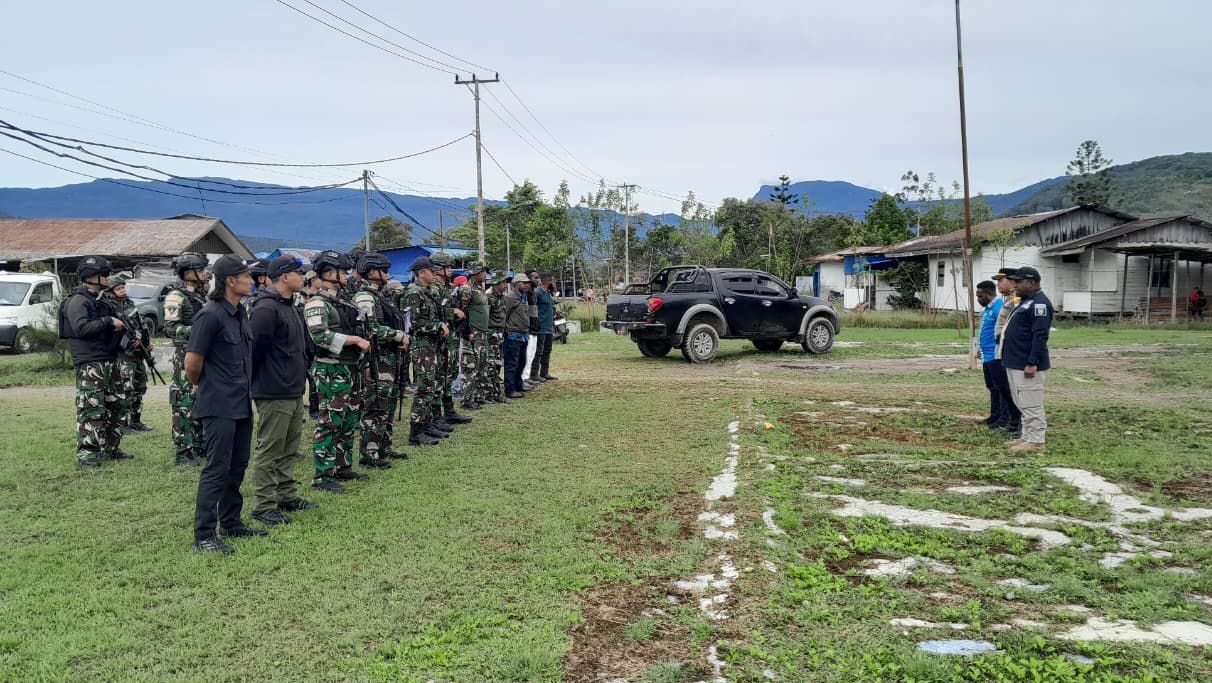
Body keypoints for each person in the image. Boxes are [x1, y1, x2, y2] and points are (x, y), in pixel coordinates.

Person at [184, 255, 265, 553]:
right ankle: (204, 535)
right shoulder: (210, 315)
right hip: (218, 404)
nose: (252, 281)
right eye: (247, 276)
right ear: (231, 280)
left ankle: (231, 522)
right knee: (217, 468)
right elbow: (192, 363)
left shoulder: (240, 312)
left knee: (238, 465)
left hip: (241, 402)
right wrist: (207, 385)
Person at [249, 256, 315, 527]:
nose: (304, 277)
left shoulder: (290, 306)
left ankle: (286, 495)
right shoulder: (266, 308)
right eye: (299, 273)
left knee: (289, 448)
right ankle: (264, 505)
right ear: (285, 276)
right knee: (270, 449)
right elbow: (254, 351)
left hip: (293, 388)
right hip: (273, 390)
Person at [304, 251, 373, 493]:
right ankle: (322, 475)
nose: (346, 276)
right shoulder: (317, 303)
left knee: (348, 419)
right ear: (330, 273)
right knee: (330, 422)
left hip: (349, 367)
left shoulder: (341, 301)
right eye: (342, 272)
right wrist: (353, 340)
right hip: (331, 368)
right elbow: (319, 336)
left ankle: (343, 467)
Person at [61, 256, 128, 467]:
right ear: (92, 277)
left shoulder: (102, 300)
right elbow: (81, 328)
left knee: (116, 404)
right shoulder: (78, 301)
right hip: (90, 362)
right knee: (92, 407)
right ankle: (88, 454)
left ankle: (111, 447)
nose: (108, 278)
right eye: (104, 274)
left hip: (109, 358)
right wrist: (108, 321)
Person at [352, 252, 410, 467]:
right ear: (372, 272)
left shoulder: (379, 295)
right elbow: (371, 329)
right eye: (383, 271)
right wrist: (398, 336)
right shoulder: (364, 297)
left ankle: (384, 447)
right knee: (375, 406)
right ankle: (369, 453)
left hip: (389, 358)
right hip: (377, 359)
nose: (387, 274)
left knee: (387, 405)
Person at [163, 252, 210, 465]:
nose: (204, 273)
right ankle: (183, 450)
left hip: (202, 353)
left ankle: (199, 444)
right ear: (187, 273)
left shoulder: (201, 295)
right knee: (184, 401)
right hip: (185, 354)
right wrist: (200, 331)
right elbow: (171, 329)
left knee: (200, 399)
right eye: (200, 270)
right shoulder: (175, 296)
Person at [1000, 266, 1053, 454]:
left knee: (1031, 402)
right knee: (1021, 401)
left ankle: (1037, 441)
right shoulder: (1026, 302)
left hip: (1026, 363)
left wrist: (1032, 362)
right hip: (1015, 361)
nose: (1014, 285)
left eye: (1018, 282)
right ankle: (1027, 436)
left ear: (1031, 283)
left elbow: (1040, 336)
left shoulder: (1040, 304)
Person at [402, 257, 448, 445]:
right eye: (431, 271)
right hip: (422, 346)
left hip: (431, 345)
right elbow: (413, 324)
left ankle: (427, 424)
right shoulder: (414, 293)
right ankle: (416, 431)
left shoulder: (426, 292)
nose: (434, 274)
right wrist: (438, 326)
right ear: (421, 273)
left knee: (431, 386)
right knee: (424, 387)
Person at [101, 272, 153, 433]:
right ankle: (122, 424)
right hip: (122, 356)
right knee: (125, 389)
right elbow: (109, 331)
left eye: (123, 287)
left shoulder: (130, 304)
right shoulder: (108, 308)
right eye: (118, 288)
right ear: (110, 292)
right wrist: (127, 340)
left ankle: (135, 420)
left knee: (139, 387)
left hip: (137, 353)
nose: (123, 290)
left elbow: (140, 324)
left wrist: (145, 341)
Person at [429, 254, 472, 427]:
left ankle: (448, 410)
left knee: (450, 374)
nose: (450, 270)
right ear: (438, 269)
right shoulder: (434, 288)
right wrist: (452, 312)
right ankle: (436, 414)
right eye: (447, 267)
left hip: (452, 337)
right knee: (440, 376)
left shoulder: (446, 287)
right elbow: (433, 313)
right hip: (440, 339)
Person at [454, 262, 491, 410]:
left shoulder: (480, 289)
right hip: (472, 333)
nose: (485, 275)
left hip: (482, 333)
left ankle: (479, 396)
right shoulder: (466, 289)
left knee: (482, 365)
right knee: (470, 367)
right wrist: (467, 332)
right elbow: (461, 313)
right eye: (482, 272)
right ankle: (467, 399)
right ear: (475, 273)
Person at [991, 267, 1022, 438]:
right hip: (1001, 348)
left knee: (1011, 389)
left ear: (1011, 281)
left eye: (1001, 281)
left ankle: (1017, 422)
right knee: (1004, 387)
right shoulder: (1009, 300)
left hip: (1009, 350)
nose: (998, 284)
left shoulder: (1017, 300)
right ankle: (1013, 421)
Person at [975, 280, 1008, 433]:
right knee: (992, 387)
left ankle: (1003, 418)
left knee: (1000, 388)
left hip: (995, 355)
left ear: (989, 294)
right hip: (986, 355)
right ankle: (994, 416)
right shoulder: (988, 308)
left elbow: (1002, 331)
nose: (978, 299)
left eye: (980, 296)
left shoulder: (999, 307)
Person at [502, 277, 532, 398]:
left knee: (521, 362)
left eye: (527, 283)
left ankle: (518, 385)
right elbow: (505, 314)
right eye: (523, 283)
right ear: (515, 284)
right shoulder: (510, 297)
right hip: (512, 335)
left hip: (523, 334)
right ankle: (510, 389)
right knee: (511, 363)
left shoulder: (524, 297)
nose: (526, 285)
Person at [484, 273, 511, 404]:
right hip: (491, 335)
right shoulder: (489, 297)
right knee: (490, 365)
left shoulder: (502, 297)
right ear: (496, 283)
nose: (506, 285)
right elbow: (485, 317)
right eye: (503, 282)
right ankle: (488, 394)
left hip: (500, 334)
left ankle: (496, 393)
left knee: (497, 364)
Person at [531, 271, 558, 383]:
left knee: (547, 350)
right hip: (541, 327)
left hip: (549, 327)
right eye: (552, 280)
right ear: (547, 280)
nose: (553, 282)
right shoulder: (538, 292)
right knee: (539, 351)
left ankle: (544, 372)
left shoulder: (548, 293)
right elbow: (533, 308)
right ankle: (534, 374)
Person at [521, 269, 541, 387]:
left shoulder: (533, 293)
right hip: (527, 329)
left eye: (538, 277)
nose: (538, 280)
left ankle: (527, 377)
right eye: (535, 278)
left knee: (532, 354)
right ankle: (523, 378)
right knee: (527, 355)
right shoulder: (525, 294)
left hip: (534, 328)